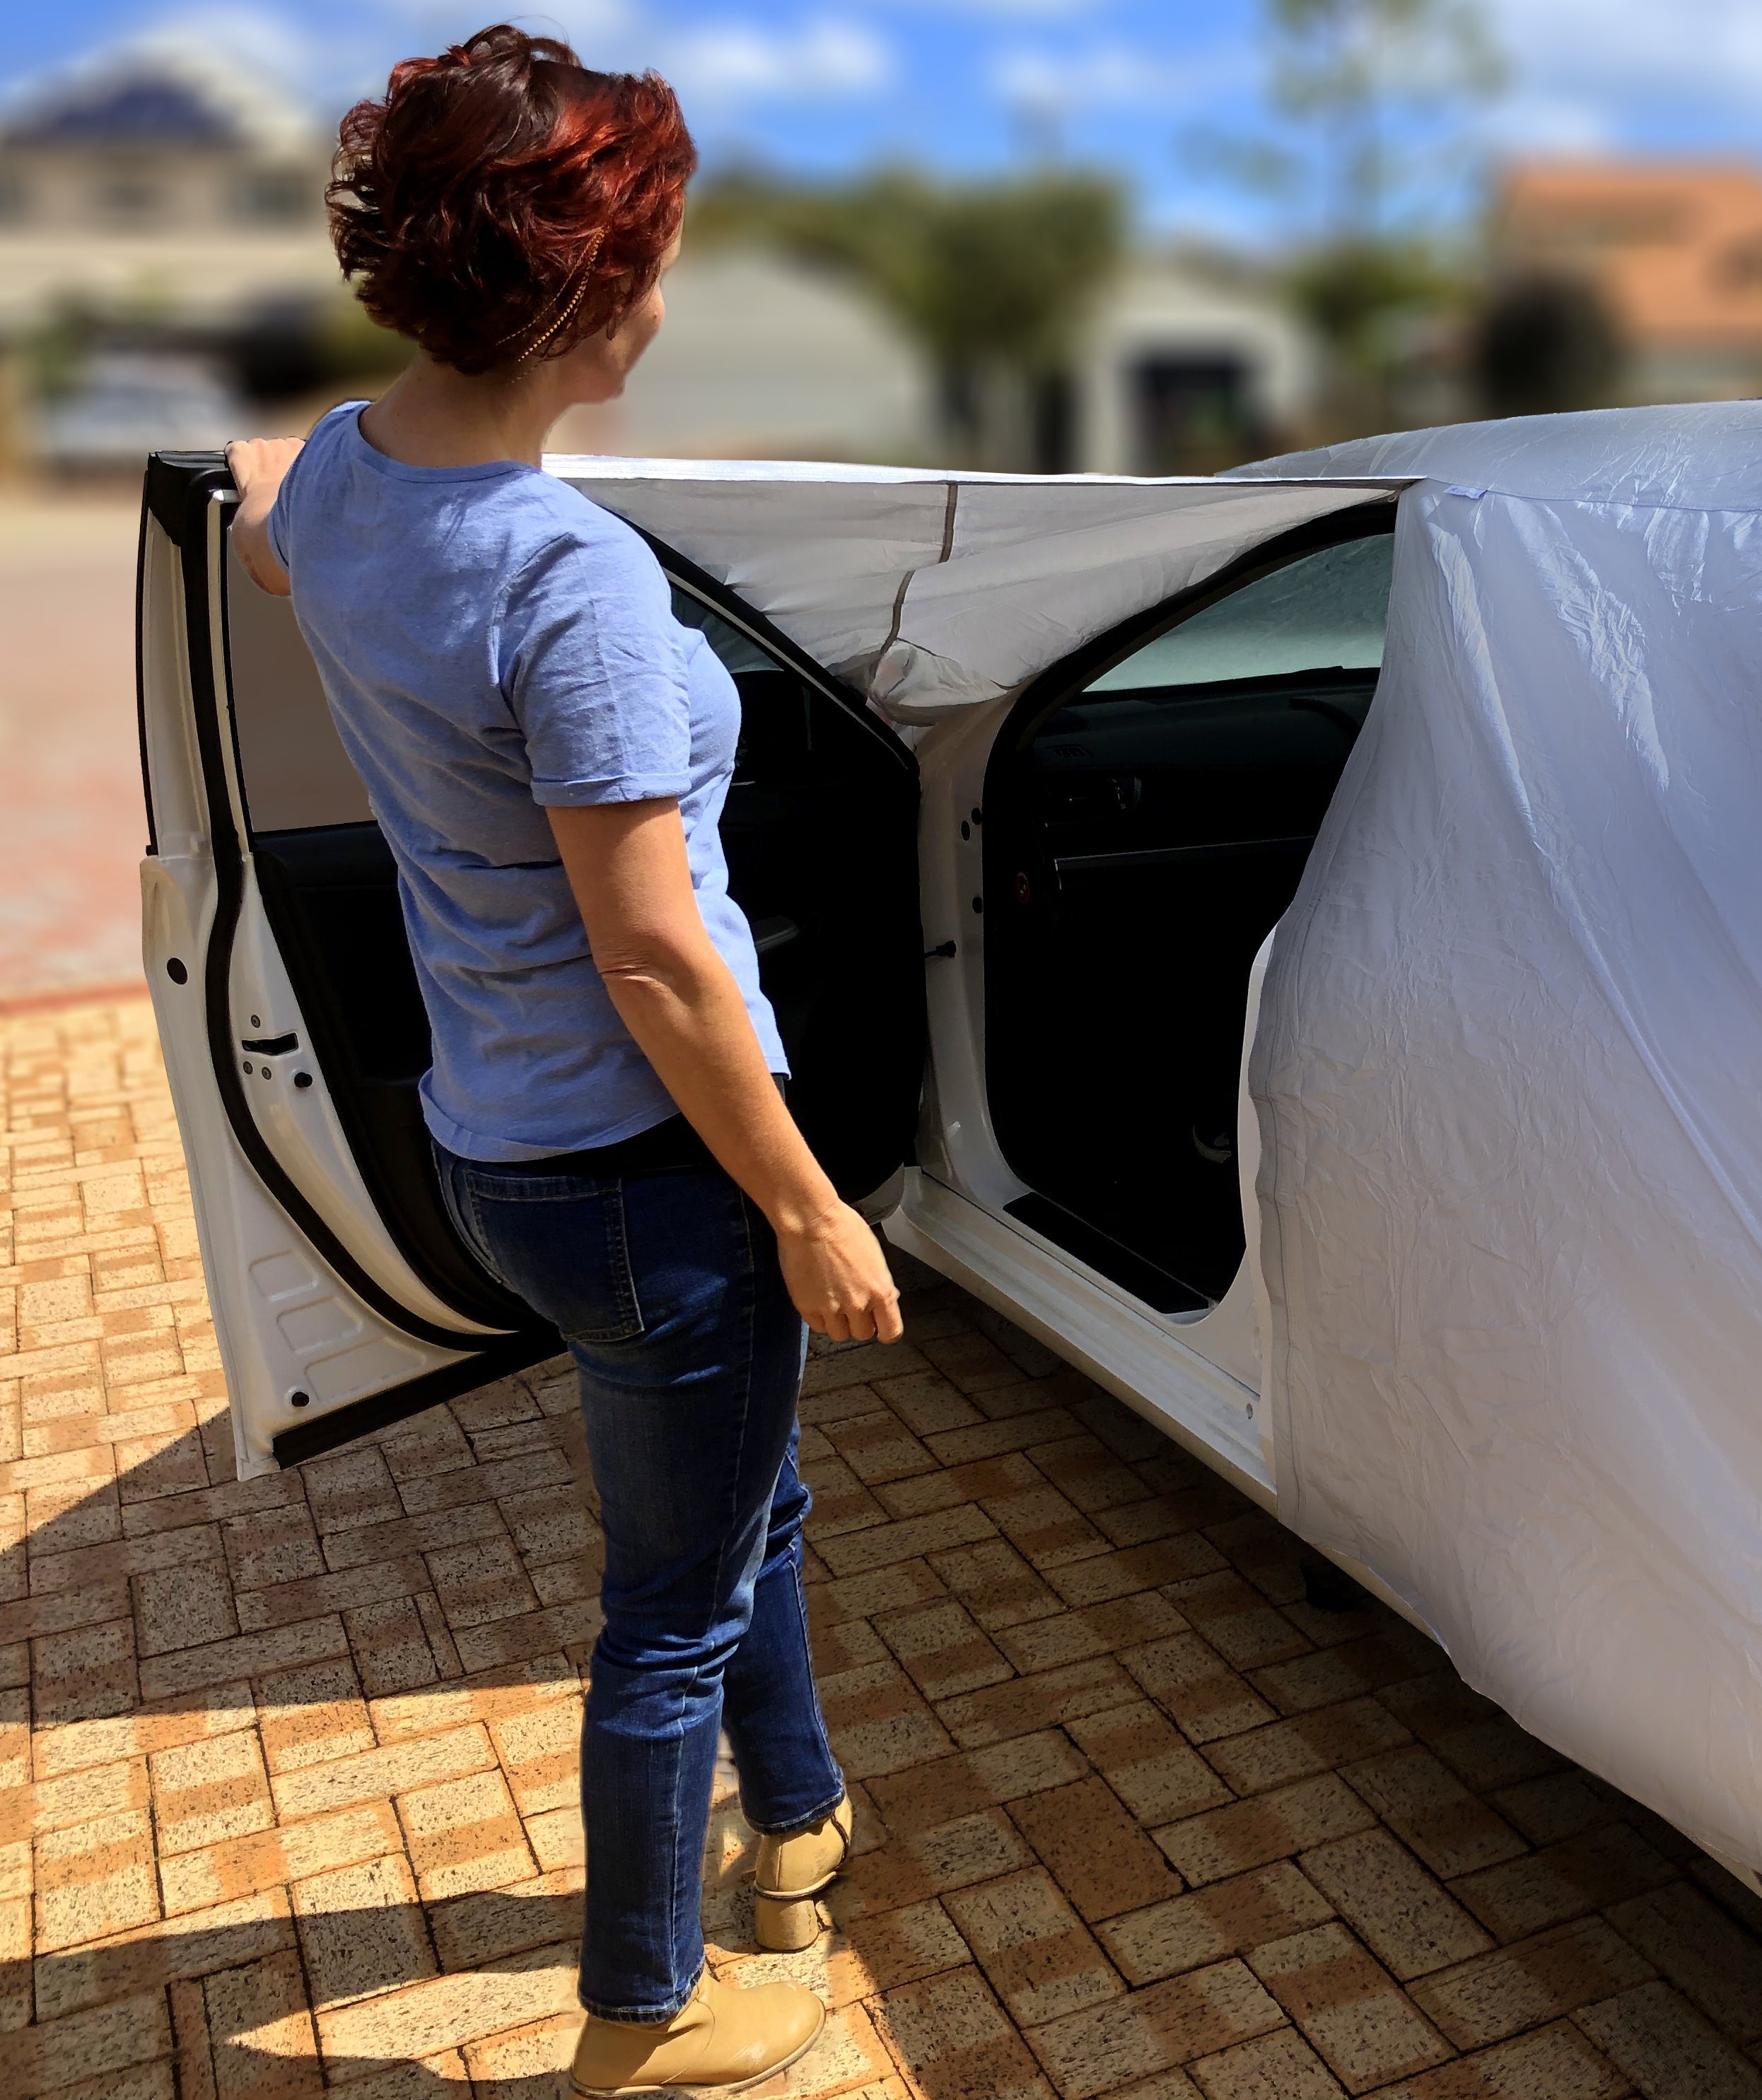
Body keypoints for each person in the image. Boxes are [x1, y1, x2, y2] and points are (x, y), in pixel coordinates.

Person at [224, 25, 902, 2097]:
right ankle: (641, 2015)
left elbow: (262, 515)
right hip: (647, 1170)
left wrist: (287, 503)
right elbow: (655, 956)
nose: (669, 298)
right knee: (667, 1611)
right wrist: (808, 1206)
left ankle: (797, 1819)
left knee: (746, 1500)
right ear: (589, 294)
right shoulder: (564, 577)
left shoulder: (348, 476)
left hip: (493, 1144)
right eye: (658, 260)